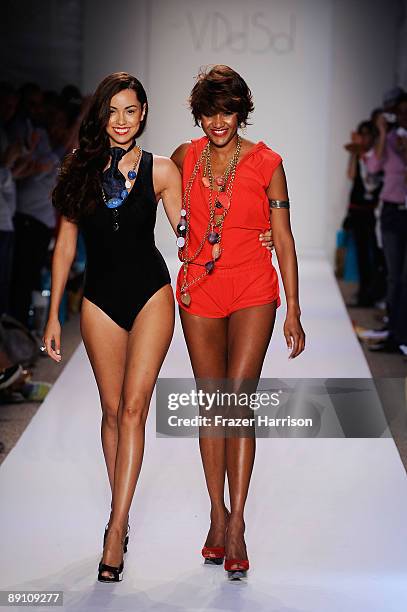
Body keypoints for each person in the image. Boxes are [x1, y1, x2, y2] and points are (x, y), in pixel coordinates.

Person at [42, 72, 182, 582]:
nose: (121, 121)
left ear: (143, 113)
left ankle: (115, 527)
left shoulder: (163, 170)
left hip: (150, 295)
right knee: (110, 408)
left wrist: (212, 238)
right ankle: (120, 512)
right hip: (98, 300)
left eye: (131, 110)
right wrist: (54, 313)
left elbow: (183, 235)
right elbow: (64, 247)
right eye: (112, 111)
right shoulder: (79, 169)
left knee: (133, 407)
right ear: (101, 115)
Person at [171, 65, 305, 580]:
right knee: (212, 403)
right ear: (199, 113)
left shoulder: (268, 162)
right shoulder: (186, 156)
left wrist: (292, 304)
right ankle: (216, 513)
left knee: (237, 401)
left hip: (253, 286)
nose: (217, 121)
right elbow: (165, 198)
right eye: (208, 111)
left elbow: (284, 235)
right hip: (200, 287)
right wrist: (184, 239)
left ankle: (239, 523)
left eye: (226, 110)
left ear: (240, 110)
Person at [366, 93, 407, 355]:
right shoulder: (390, 140)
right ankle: (395, 332)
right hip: (393, 212)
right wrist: (382, 134)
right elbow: (373, 166)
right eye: (399, 112)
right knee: (394, 277)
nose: (402, 116)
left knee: (404, 277)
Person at [343, 120, 384, 306]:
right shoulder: (360, 156)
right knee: (362, 255)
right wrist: (354, 154)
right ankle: (364, 294)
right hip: (358, 210)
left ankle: (372, 294)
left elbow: (373, 181)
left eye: (367, 134)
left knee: (374, 255)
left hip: (372, 211)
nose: (364, 138)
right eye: (362, 134)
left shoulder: (377, 158)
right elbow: (351, 175)